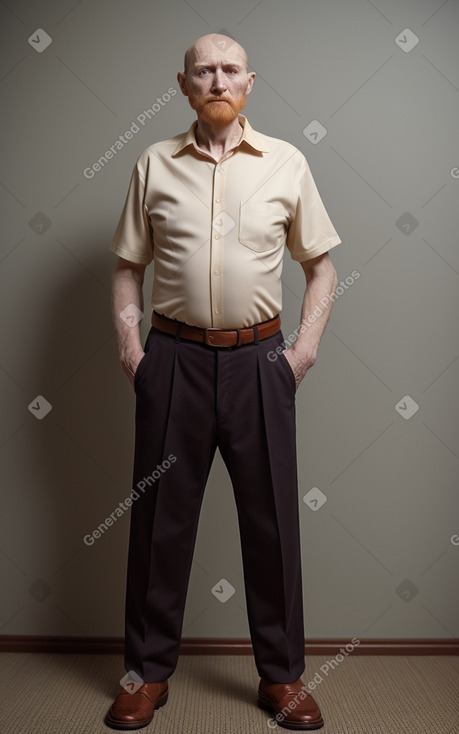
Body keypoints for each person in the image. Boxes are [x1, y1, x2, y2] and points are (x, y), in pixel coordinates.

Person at [105, 32, 341, 731]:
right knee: (158, 523)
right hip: (171, 360)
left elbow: (321, 267)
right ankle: (146, 673)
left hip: (260, 361)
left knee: (271, 522)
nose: (216, 80)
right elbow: (126, 267)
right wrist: (130, 350)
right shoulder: (153, 164)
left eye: (229, 70)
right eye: (202, 71)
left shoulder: (287, 163)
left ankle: (282, 677)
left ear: (249, 82)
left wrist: (302, 352)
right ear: (182, 86)